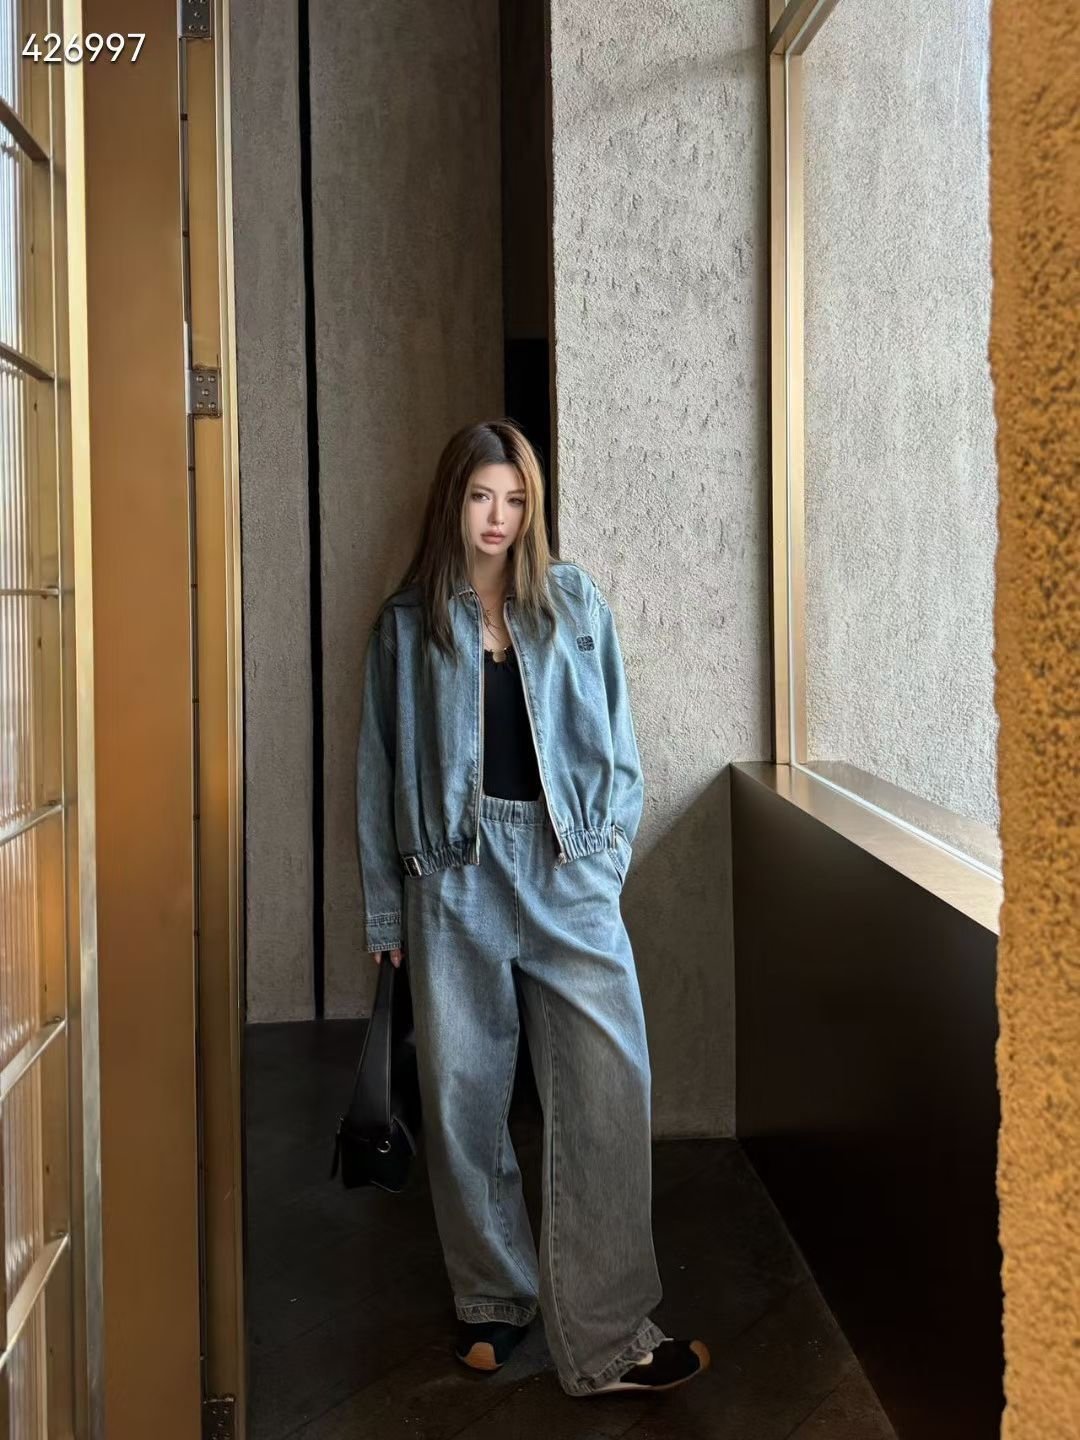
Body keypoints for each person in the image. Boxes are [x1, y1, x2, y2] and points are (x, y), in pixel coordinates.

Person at [355, 418, 710, 1397]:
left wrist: (606, 858)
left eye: (515, 500)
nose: (499, 518)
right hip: (453, 875)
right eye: (482, 497)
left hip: (567, 866)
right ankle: (494, 1299)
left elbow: (621, 743)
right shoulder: (406, 625)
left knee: (608, 1090)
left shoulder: (574, 602)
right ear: (453, 502)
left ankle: (611, 1333)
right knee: (464, 1098)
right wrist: (387, 914)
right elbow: (377, 772)